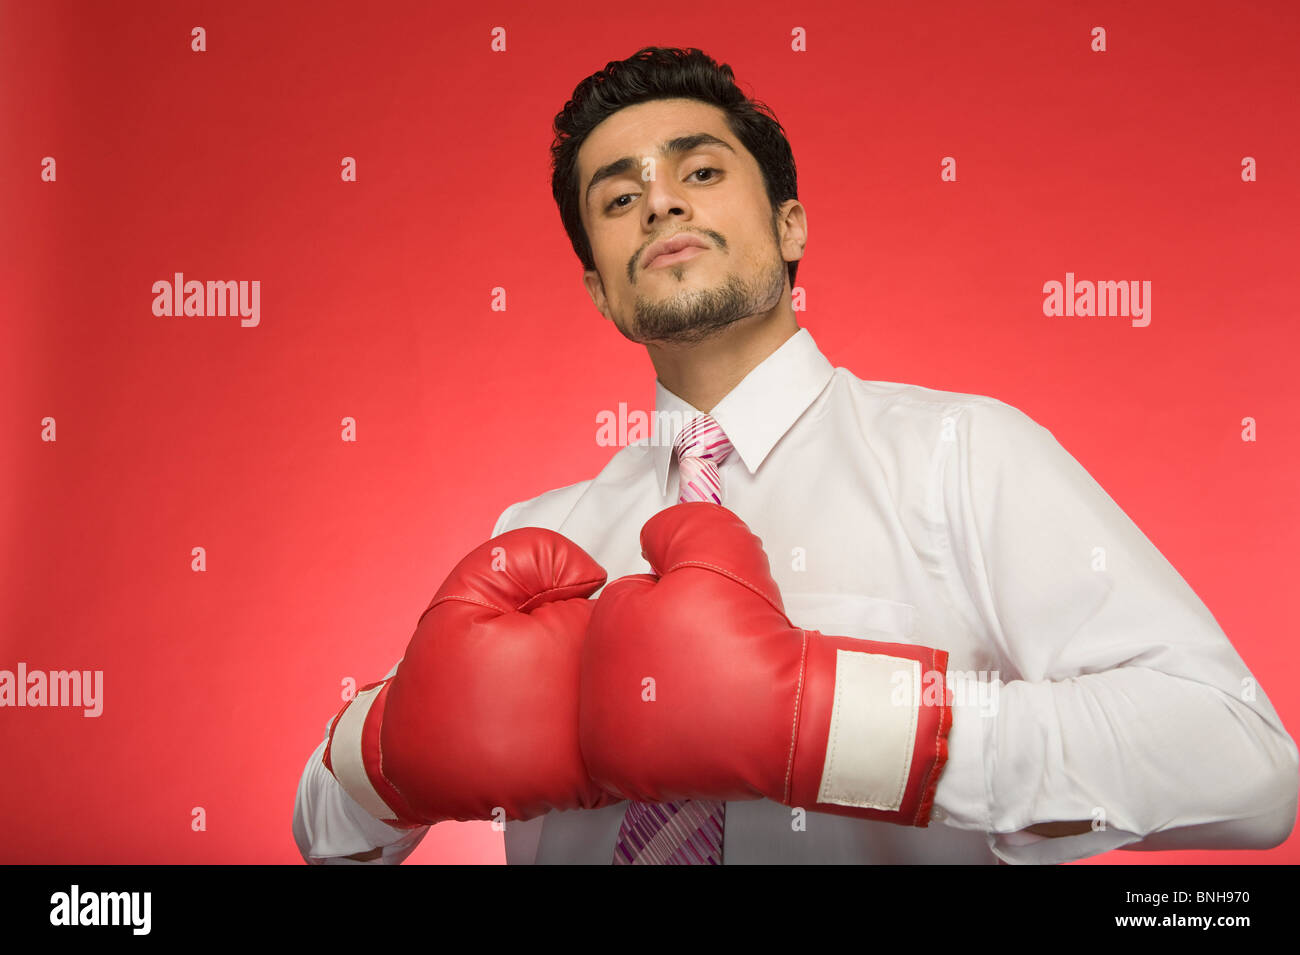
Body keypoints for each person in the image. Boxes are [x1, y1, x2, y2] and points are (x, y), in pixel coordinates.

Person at [292, 46, 1298, 865]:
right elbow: (320, 831)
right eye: (616, 198)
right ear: (599, 289)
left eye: (697, 171)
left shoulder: (961, 455)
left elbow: (1244, 765)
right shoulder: (535, 539)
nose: (659, 204)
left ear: (789, 225)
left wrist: (840, 727)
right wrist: (384, 758)